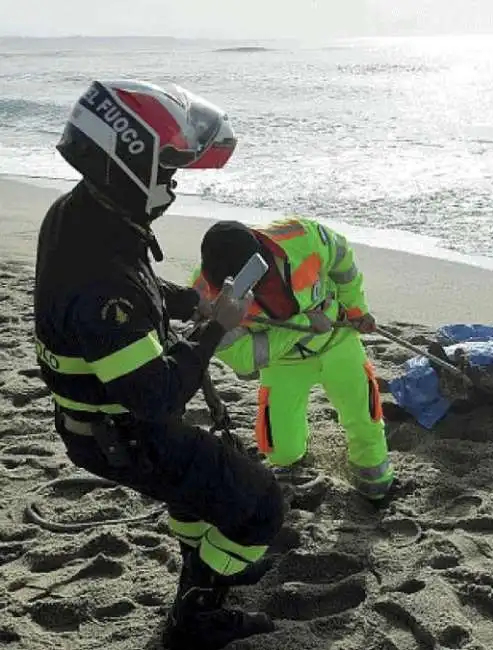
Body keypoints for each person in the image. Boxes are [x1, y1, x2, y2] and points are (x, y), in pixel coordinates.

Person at [33, 79, 286, 650]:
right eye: (167, 168)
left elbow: (137, 285)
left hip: (104, 423)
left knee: (200, 492)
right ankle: (195, 617)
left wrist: (189, 303)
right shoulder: (101, 278)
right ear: (128, 163)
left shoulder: (80, 216)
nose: (172, 182)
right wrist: (218, 324)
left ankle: (208, 565)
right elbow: (160, 396)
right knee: (260, 507)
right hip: (125, 430)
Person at [189, 218, 395, 502]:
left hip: (338, 341)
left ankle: (375, 481)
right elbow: (246, 359)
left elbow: (342, 260)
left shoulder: (302, 236)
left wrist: (356, 308)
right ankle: (292, 461)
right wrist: (304, 322)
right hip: (284, 362)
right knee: (282, 450)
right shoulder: (204, 298)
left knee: (364, 416)